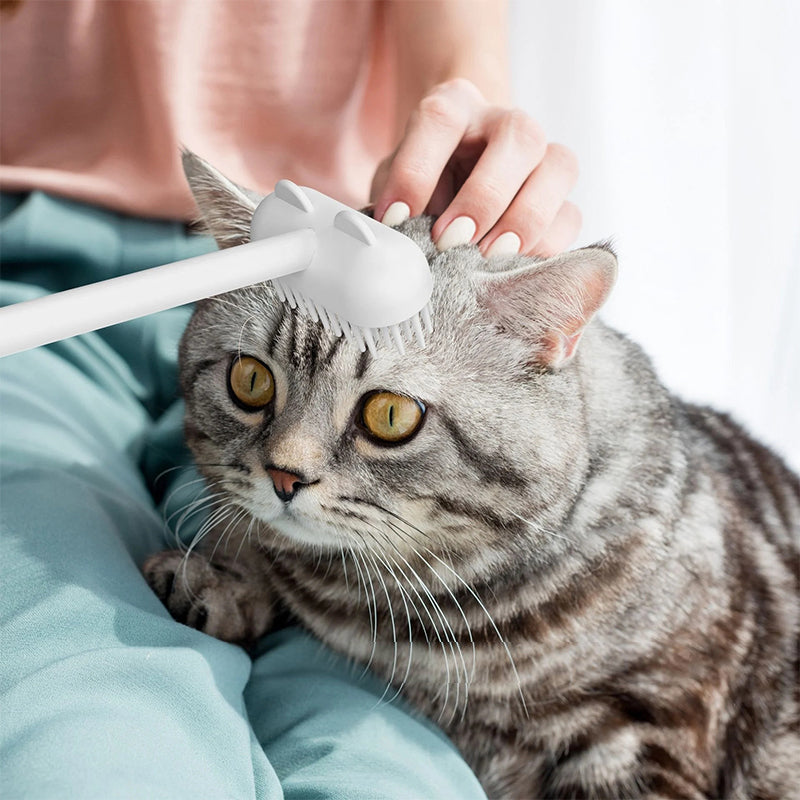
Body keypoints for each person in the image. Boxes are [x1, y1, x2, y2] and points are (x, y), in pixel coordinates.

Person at [0, 2, 580, 797]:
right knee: (85, 697)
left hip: (345, 302)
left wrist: (463, 131)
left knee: (390, 765)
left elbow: (456, 70)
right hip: (32, 292)